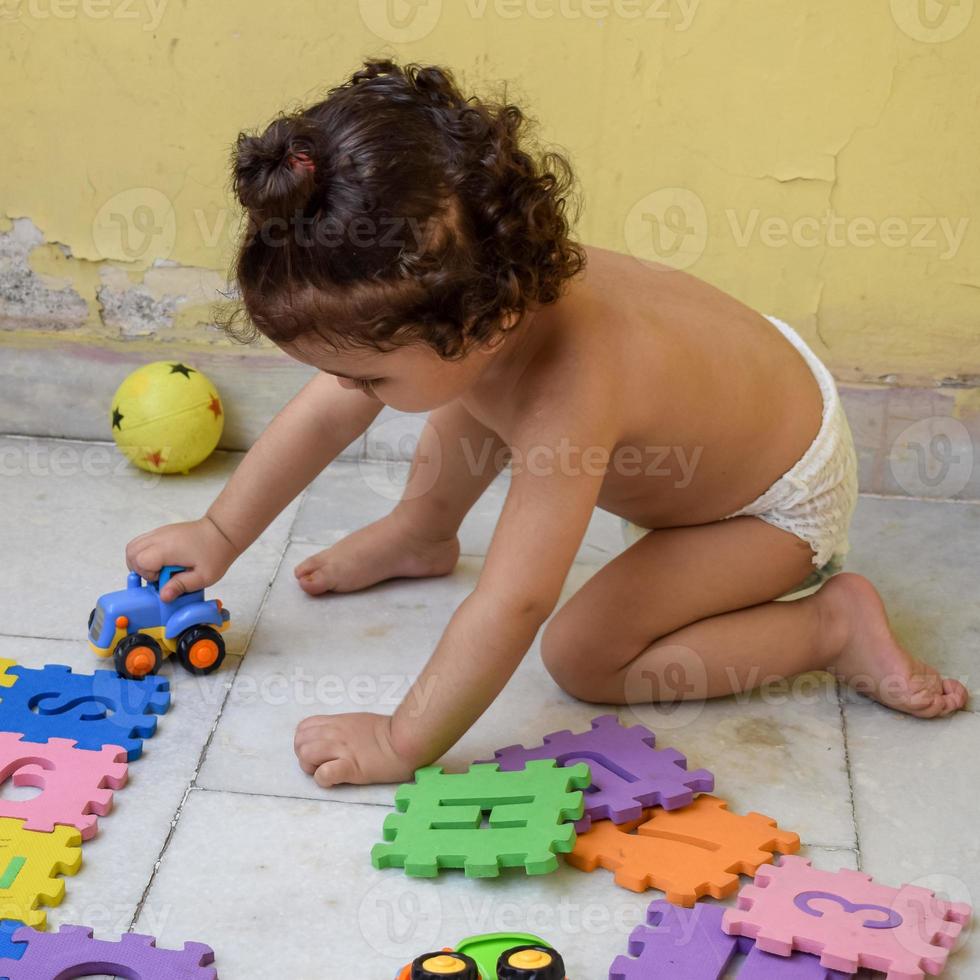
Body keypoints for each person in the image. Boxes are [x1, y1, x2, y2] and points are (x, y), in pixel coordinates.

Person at [126, 60, 968, 788]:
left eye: (363, 374)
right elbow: (329, 415)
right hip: (750, 387)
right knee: (459, 388)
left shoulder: (574, 388)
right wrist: (218, 532)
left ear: (484, 323)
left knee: (585, 655)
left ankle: (830, 626)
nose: (343, 390)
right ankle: (423, 530)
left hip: (772, 500)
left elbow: (518, 598)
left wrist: (400, 739)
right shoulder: (484, 287)